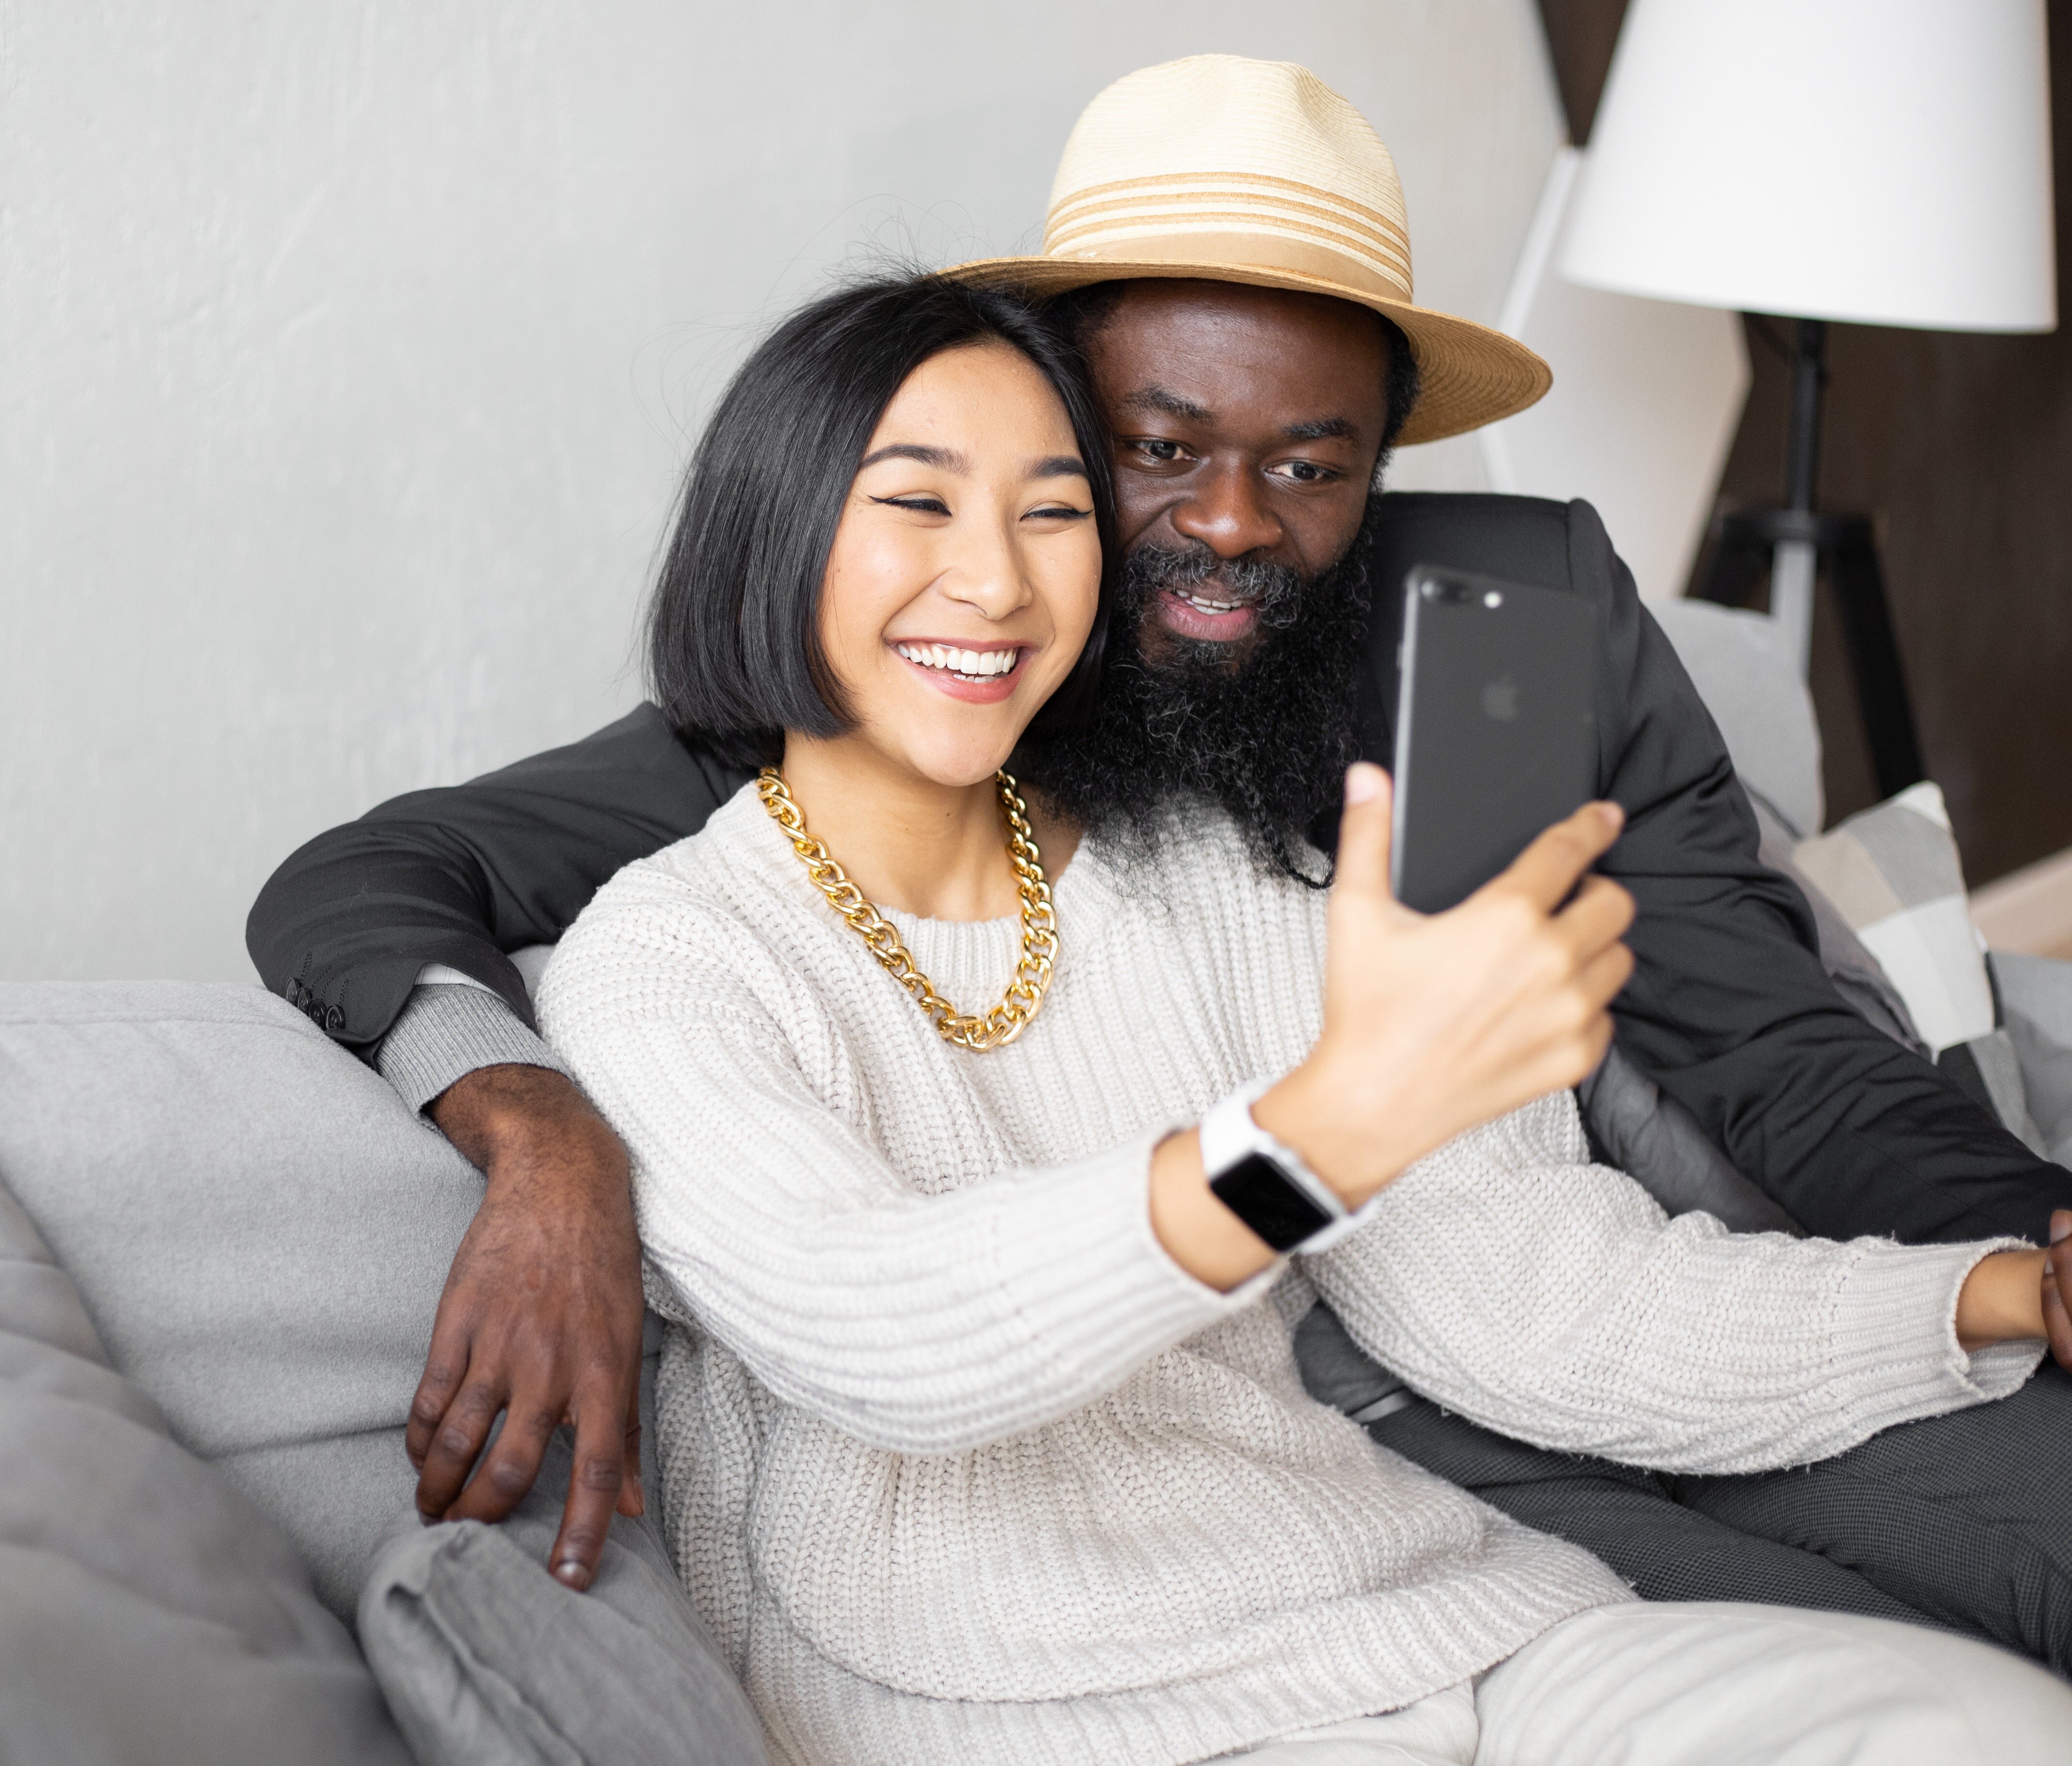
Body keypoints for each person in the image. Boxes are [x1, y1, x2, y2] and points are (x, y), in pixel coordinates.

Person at [251, 55, 2072, 1659]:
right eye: (1152, 448)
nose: (1227, 520)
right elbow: (372, 882)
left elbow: (1773, 1048)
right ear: (1058, 408)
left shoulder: (1520, 608)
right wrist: (545, 1135)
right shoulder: (928, 677)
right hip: (1324, 1439)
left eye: (1311, 464)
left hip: (1657, 1284)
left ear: (1379, 461)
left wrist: (2031, 1245)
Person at [539, 261, 2070, 1764]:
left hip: (1446, 1629)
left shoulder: (1216, 874)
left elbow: (1531, 1305)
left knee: (1988, 1726)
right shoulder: (671, 962)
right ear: (777, 534)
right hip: (1041, 1712)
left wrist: (2002, 1290)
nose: (997, 581)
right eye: (920, 502)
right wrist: (1317, 1133)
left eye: (1053, 512)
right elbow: (890, 1334)